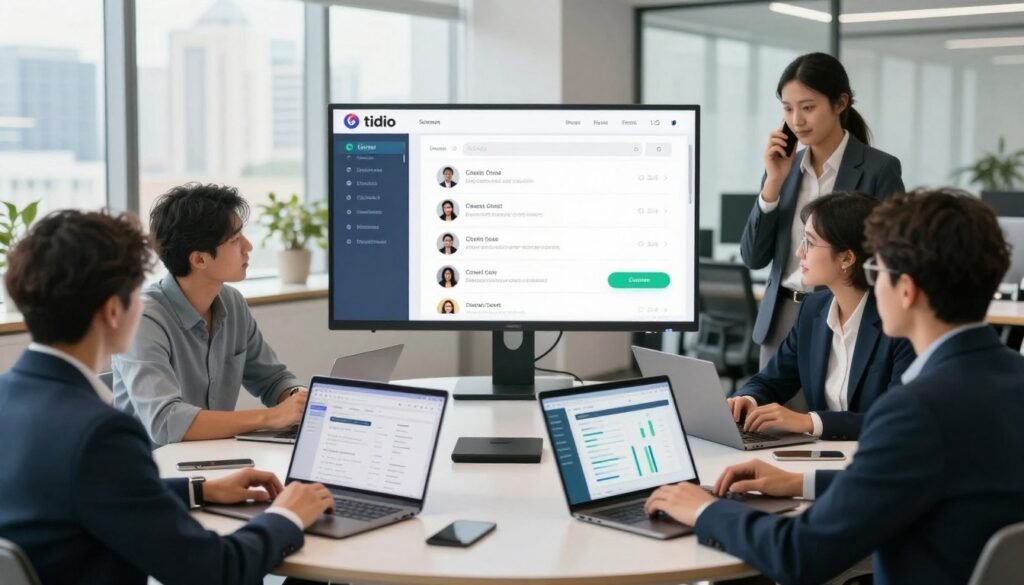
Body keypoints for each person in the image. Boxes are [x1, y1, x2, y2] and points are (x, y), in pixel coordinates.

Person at [644, 189, 1024, 585]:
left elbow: (799, 554)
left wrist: (705, 510)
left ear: (906, 290)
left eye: (878, 272)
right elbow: (913, 480)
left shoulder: (915, 411)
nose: (873, 284)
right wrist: (799, 482)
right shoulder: (1014, 376)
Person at [0, 210, 334, 584]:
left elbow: (98, 492)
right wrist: (287, 515)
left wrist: (201, 489)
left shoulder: (7, 395)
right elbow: (214, 570)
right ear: (113, 311)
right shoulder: (101, 434)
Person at [742, 52, 905, 367]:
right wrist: (773, 183)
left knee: (832, 402)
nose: (796, 121)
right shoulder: (782, 169)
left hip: (846, 316)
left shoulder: (878, 169)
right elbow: (753, 257)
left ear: (840, 103)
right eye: (788, 109)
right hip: (782, 318)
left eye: (808, 107)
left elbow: (893, 257)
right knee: (771, 400)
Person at [112, 183, 308, 446]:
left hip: (211, 459)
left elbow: (273, 380)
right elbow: (165, 421)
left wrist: (299, 399)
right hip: (153, 465)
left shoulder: (232, 303)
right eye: (235, 240)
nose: (248, 246)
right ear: (199, 260)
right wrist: (271, 417)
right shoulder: (142, 319)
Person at [727, 192, 915, 440]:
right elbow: (771, 380)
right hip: (824, 454)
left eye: (809, 242)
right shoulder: (813, 309)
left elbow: (897, 418)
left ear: (846, 258)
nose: (799, 252)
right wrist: (747, 398)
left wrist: (810, 421)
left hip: (878, 453)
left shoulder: (898, 322)